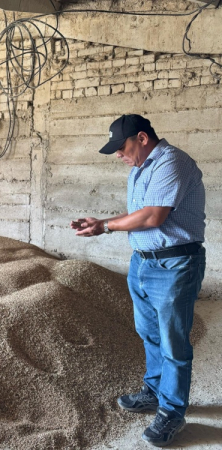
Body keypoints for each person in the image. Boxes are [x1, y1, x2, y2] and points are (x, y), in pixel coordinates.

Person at [70, 114, 206, 447]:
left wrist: (104, 227)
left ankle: (172, 411)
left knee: (173, 343)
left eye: (122, 147)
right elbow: (139, 215)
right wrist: (102, 221)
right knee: (150, 334)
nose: (118, 154)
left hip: (174, 264)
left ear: (142, 138)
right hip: (143, 263)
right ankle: (155, 392)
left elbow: (153, 216)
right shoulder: (140, 169)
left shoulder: (172, 162)